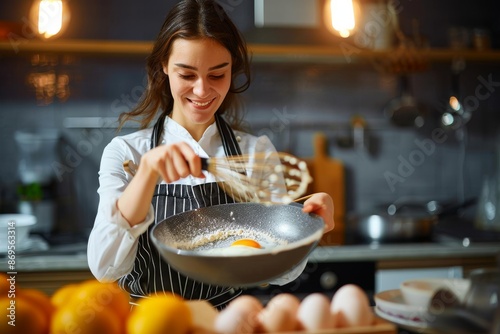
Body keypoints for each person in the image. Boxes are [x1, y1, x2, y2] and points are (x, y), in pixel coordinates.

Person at [87, 0, 334, 309]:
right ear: (164, 66)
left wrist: (308, 228)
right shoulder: (127, 154)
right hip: (152, 324)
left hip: (229, 322)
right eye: (187, 75)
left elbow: (283, 272)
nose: (202, 91)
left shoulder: (254, 152)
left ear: (233, 70)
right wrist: (148, 173)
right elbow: (105, 268)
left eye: (217, 75)